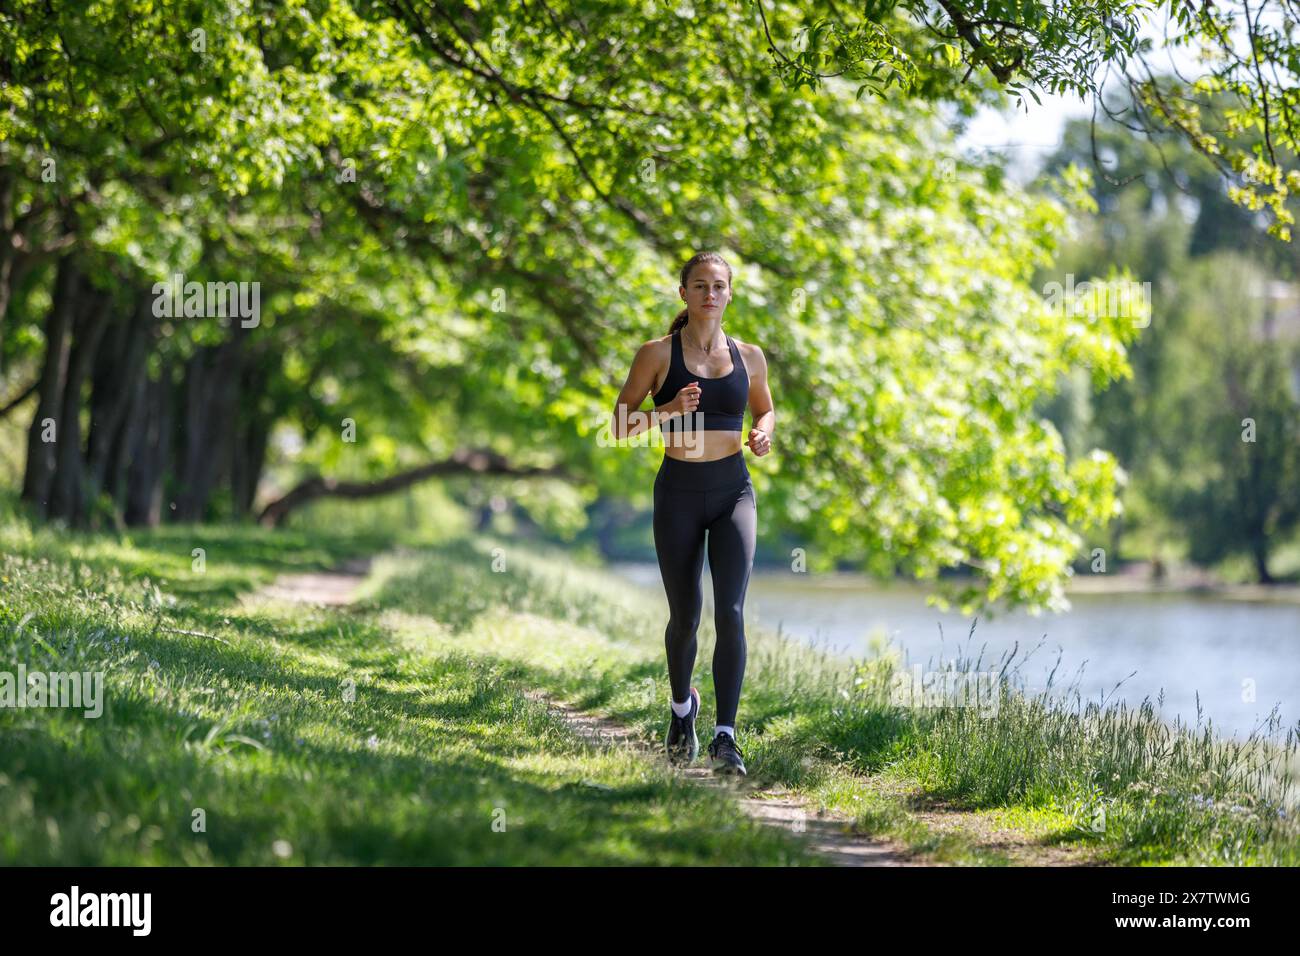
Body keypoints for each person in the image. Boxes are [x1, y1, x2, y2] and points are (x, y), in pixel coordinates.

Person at [610, 251, 775, 775]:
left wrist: (764, 432)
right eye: (699, 285)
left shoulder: (750, 355)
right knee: (686, 618)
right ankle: (683, 711)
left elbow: (765, 407)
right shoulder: (657, 354)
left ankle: (726, 738)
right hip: (678, 492)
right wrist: (667, 411)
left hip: (733, 493)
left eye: (719, 286)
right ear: (684, 293)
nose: (710, 293)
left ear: (729, 294)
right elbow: (617, 425)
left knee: (730, 612)